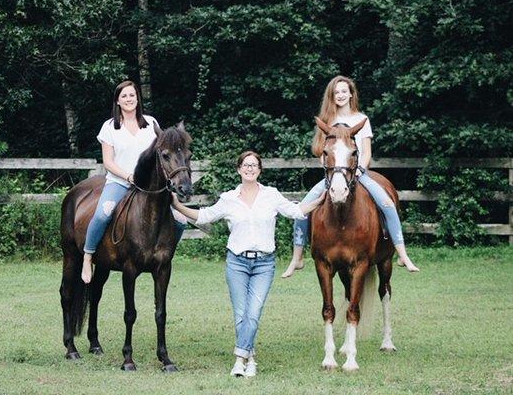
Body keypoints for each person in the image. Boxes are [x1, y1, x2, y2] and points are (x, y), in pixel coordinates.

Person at [171, 151, 324, 377]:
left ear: (260, 170)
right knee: (241, 315)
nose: (250, 168)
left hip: (264, 264)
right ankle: (249, 360)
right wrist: (177, 205)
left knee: (253, 314)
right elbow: (204, 216)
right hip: (237, 264)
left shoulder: (271, 195)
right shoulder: (228, 199)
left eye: (254, 165)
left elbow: (296, 211)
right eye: (246, 165)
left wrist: (321, 199)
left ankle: (239, 359)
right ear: (239, 169)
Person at [281, 75, 419, 279]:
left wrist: (359, 171)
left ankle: (401, 253)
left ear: (351, 94)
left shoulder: (361, 119)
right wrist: (330, 171)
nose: (340, 95)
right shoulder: (328, 120)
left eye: (344, 91)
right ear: (332, 95)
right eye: (336, 92)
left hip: (358, 173)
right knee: (303, 208)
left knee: (387, 204)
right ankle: (297, 257)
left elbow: (367, 151)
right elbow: (322, 152)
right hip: (333, 175)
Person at [81, 80, 186, 284]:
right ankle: (88, 256)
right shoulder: (110, 127)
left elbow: (164, 155)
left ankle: (163, 253)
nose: (129, 99)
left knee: (181, 220)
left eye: (132, 95)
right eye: (124, 96)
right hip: (119, 182)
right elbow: (108, 162)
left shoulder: (151, 123)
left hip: (149, 187)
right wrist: (129, 176)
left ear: (137, 98)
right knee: (103, 214)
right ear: (118, 101)